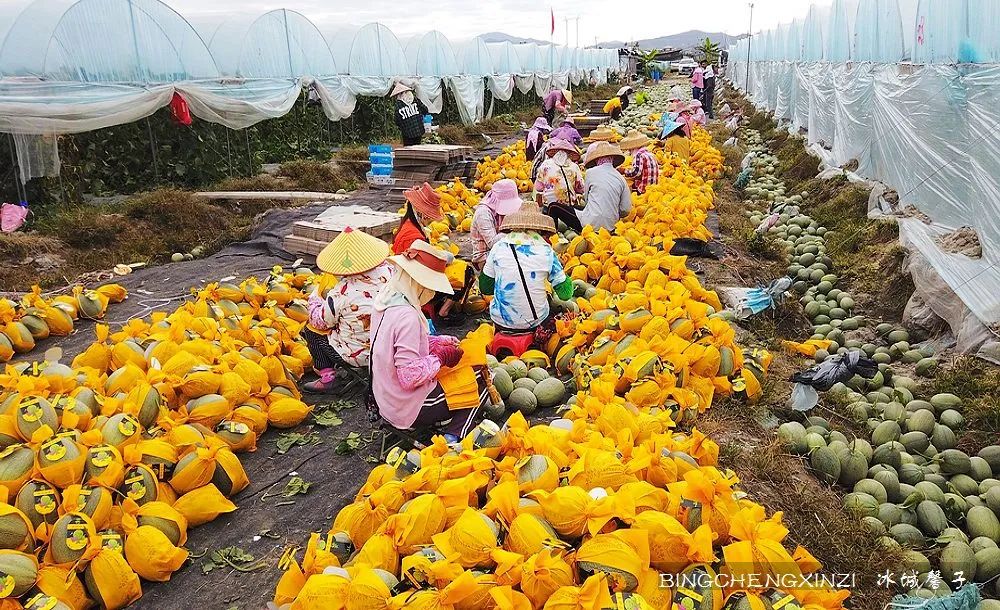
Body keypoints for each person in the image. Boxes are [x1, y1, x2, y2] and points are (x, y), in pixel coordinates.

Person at [370, 240, 489, 441]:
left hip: (385, 397)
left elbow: (395, 345)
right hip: (407, 406)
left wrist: (435, 342)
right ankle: (454, 437)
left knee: (463, 371)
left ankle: (444, 422)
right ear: (418, 283)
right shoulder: (407, 317)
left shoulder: (384, 300)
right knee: (482, 377)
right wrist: (440, 357)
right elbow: (408, 376)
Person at [303, 227, 395, 393]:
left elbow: (319, 321)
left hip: (358, 356)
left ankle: (328, 378)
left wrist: (315, 299)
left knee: (311, 329)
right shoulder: (390, 274)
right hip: (391, 347)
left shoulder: (340, 293)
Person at [480, 204, 573, 333]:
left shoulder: (498, 247)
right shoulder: (546, 251)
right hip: (535, 321)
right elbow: (565, 294)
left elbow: (485, 288)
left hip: (500, 321)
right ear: (541, 231)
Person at [393, 183, 471, 324]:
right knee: (465, 271)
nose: (430, 219)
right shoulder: (412, 234)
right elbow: (421, 268)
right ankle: (443, 313)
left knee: (457, 265)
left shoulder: (409, 225)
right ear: (420, 212)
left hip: (412, 278)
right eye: (429, 216)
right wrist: (442, 259)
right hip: (416, 285)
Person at [470, 178, 523, 270]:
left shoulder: (504, 211)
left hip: (505, 249)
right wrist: (512, 229)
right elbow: (493, 243)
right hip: (486, 256)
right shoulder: (483, 213)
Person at [534, 138, 584, 232]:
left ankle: (551, 231)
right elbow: (581, 189)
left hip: (548, 206)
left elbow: (538, 188)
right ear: (569, 154)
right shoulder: (574, 167)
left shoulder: (545, 164)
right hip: (568, 207)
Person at [579, 142, 631, 232]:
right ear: (612, 159)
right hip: (612, 226)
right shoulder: (620, 177)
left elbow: (587, 200)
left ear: (596, 159)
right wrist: (614, 212)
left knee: (556, 207)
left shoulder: (590, 173)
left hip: (590, 226)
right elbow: (626, 209)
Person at [618, 131, 660, 195]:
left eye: (630, 149)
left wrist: (624, 171)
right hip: (653, 188)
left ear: (633, 148)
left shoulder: (639, 155)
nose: (629, 151)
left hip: (644, 188)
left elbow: (636, 173)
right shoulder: (650, 154)